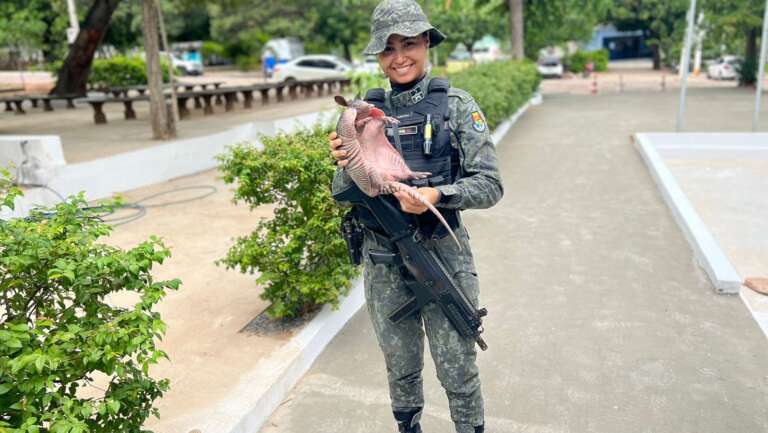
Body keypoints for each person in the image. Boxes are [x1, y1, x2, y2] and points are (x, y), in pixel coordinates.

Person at [329, 1, 503, 432]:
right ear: (378, 56)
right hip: (382, 261)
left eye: (408, 43)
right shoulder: (359, 113)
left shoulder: (457, 106)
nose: (399, 57)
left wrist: (438, 194)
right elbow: (341, 194)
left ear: (426, 43)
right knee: (400, 369)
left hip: (440, 254)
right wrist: (344, 163)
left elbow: (490, 185)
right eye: (388, 49)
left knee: (458, 371)